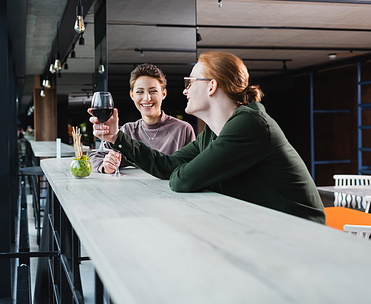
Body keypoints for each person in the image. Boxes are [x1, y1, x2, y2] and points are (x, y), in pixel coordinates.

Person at [89, 51, 326, 224]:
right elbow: (167, 166)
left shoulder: (249, 123)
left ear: (211, 86)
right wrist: (116, 135)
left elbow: (181, 180)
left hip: (300, 234)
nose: (185, 90)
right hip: (265, 226)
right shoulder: (212, 133)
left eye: (190, 83)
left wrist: (195, 173)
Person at [89, 63, 196, 174]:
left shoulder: (182, 130)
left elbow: (192, 169)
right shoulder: (127, 130)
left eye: (153, 91)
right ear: (132, 95)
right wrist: (106, 166)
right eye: (140, 92)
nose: (147, 98)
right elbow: (95, 157)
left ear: (163, 94)